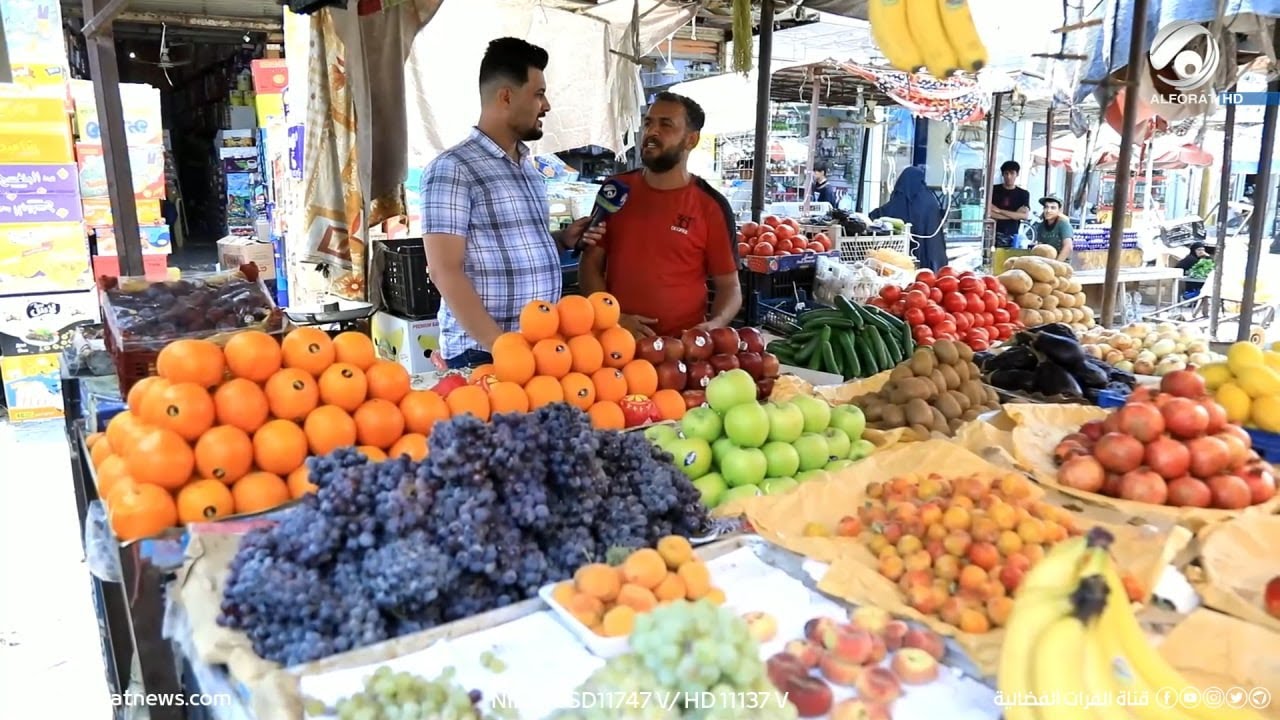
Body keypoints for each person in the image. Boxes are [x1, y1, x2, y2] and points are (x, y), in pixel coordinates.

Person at [420, 38, 594, 369]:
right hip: (484, 353)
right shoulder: (453, 169)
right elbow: (445, 270)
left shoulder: (526, 167)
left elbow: (507, 245)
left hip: (538, 347)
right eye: (539, 93)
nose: (547, 105)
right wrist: (502, 347)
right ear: (506, 96)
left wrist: (561, 240)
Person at [579, 92, 742, 338]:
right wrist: (614, 320)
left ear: (691, 140)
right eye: (648, 123)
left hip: (681, 354)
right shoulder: (615, 190)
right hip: (616, 345)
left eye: (665, 124)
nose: (652, 132)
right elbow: (590, 265)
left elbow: (730, 287)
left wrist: (714, 326)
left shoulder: (711, 206)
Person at [869, 166, 947, 272]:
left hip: (905, 255)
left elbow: (885, 213)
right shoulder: (930, 199)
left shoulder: (901, 198)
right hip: (932, 253)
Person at [989, 160, 1031, 246]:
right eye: (1006, 173)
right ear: (1002, 174)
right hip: (992, 233)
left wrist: (999, 210)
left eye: (1012, 173)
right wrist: (1014, 216)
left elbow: (1024, 216)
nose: (1009, 176)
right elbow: (989, 213)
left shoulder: (1023, 194)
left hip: (1012, 234)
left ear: (1017, 174)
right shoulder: (993, 190)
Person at [1031, 196, 1074, 260]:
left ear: (1059, 211)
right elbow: (1041, 247)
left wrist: (1056, 263)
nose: (1048, 211)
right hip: (1047, 262)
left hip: (1062, 262)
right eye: (1046, 207)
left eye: (1053, 208)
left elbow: (1068, 247)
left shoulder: (1063, 224)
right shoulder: (1041, 226)